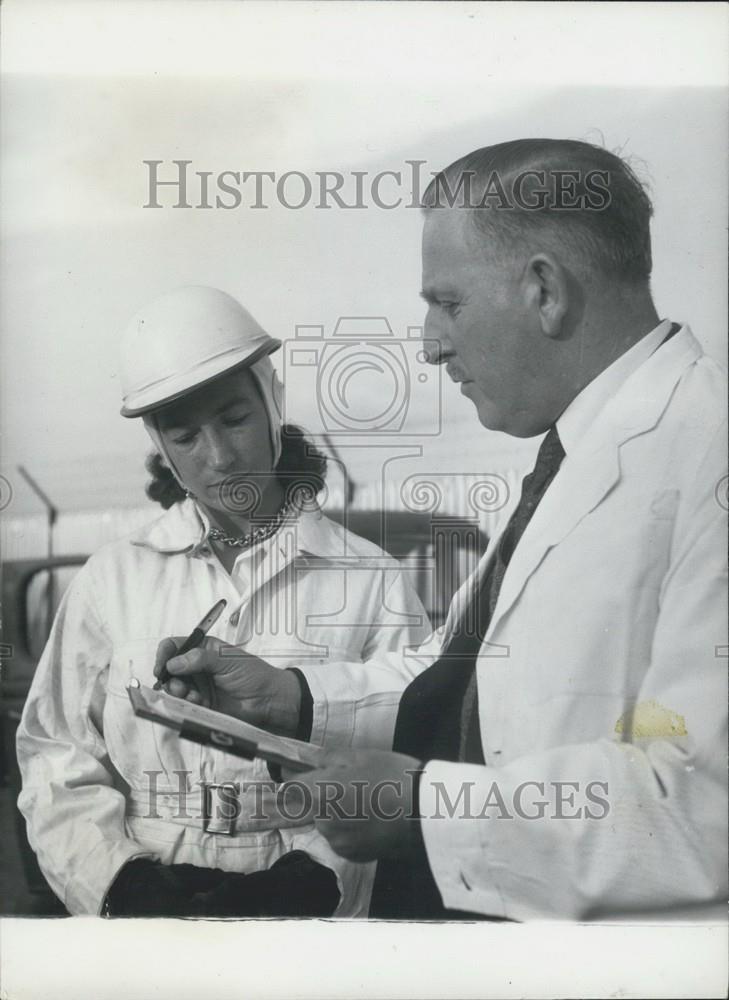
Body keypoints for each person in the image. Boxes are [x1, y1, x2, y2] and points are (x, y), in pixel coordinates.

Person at [158, 140, 728, 921]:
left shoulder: (707, 453)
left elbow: (705, 804)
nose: (428, 345)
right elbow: (462, 677)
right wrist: (289, 699)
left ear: (544, 291)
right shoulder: (580, 456)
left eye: (448, 303)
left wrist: (427, 809)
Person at [16, 285, 430, 917]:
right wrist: (118, 884)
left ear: (272, 403)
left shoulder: (371, 579)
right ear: (160, 444)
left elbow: (404, 757)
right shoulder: (112, 580)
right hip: (149, 909)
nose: (220, 457)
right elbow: (56, 754)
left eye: (235, 419)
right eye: (185, 436)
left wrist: (321, 878)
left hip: (311, 910)